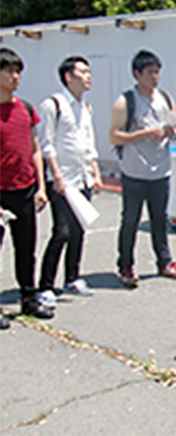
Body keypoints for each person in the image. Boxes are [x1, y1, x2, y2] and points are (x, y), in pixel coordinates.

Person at [109, 49, 176, 287]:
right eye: (150, 72)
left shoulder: (164, 97)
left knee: (160, 219)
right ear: (137, 74)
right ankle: (126, 266)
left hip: (161, 170)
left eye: (157, 72)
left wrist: (172, 132)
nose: (155, 77)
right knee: (130, 219)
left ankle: (165, 262)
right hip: (134, 171)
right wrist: (144, 134)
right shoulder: (126, 101)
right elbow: (114, 136)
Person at [36, 56, 102, 309]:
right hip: (61, 181)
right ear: (68, 77)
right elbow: (47, 144)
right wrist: (56, 177)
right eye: (83, 72)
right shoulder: (53, 104)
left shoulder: (85, 107)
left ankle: (72, 278)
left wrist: (95, 173)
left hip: (82, 178)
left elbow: (89, 142)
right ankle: (45, 285)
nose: (88, 76)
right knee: (61, 231)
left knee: (78, 230)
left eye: (89, 71)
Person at [0, 47, 52, 321]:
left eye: (18, 71)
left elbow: (35, 149)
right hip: (0, 193)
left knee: (26, 248)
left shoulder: (26, 109)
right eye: (8, 70)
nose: (15, 76)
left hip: (24, 189)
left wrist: (41, 187)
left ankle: (28, 298)